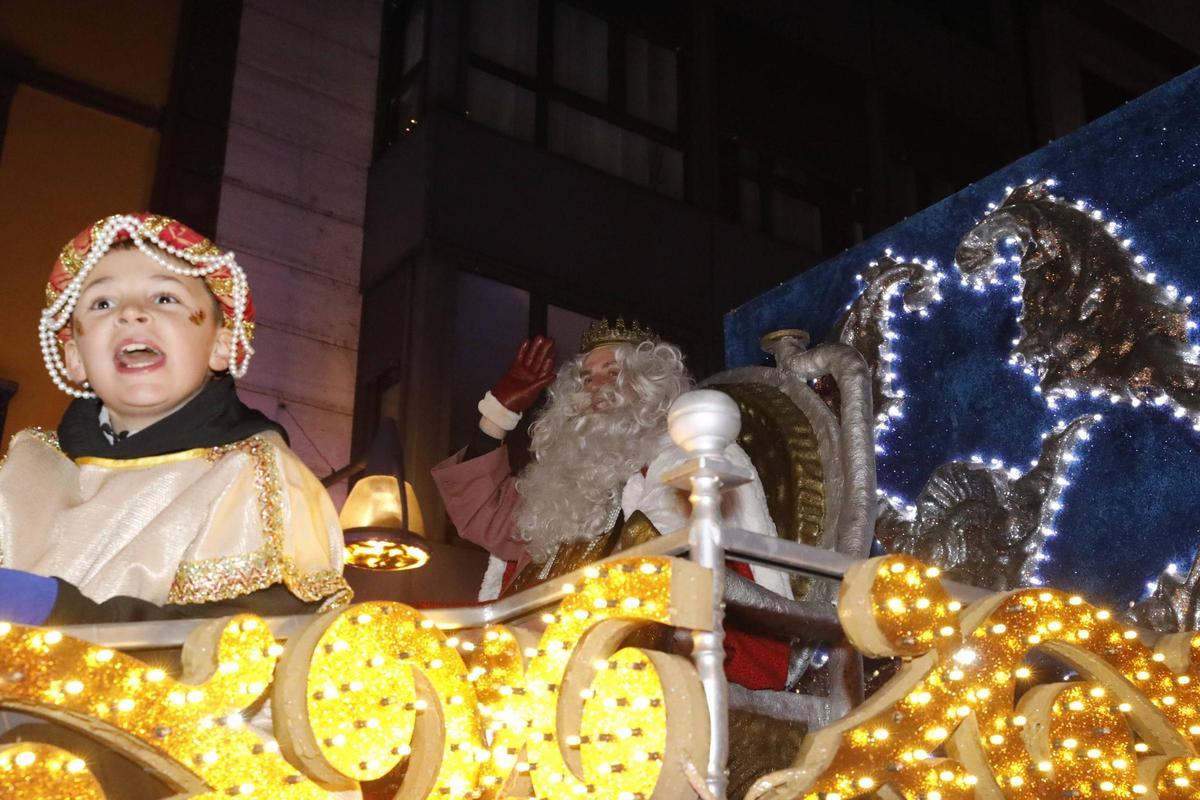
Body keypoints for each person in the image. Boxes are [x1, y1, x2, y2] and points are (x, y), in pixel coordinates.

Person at [0, 212, 352, 627]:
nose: (131, 313)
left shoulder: (253, 473)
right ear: (74, 356)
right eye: (102, 303)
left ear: (221, 345)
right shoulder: (27, 467)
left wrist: (58, 614)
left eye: (165, 298)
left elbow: (246, 643)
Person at [432, 318, 793, 688]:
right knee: (408, 640)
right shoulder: (558, 488)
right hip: (520, 649)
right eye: (586, 378)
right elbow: (482, 513)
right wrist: (496, 416)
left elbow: (663, 562)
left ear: (651, 384)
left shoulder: (684, 454)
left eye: (612, 371)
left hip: (614, 656)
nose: (595, 387)